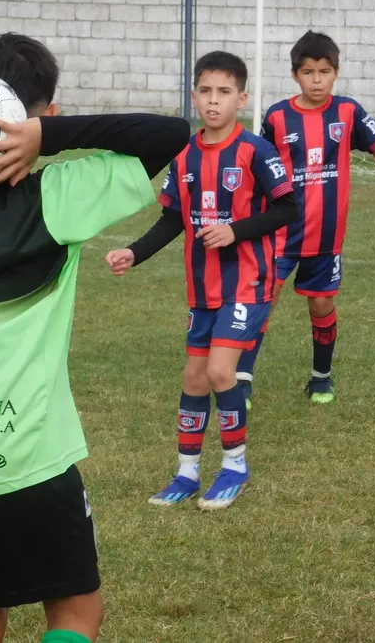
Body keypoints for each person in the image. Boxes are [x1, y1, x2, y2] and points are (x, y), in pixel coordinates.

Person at [0, 32, 189, 643]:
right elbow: (169, 133)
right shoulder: (57, 198)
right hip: (24, 453)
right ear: (35, 116)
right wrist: (45, 136)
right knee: (77, 614)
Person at [106, 51, 297, 510]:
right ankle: (187, 473)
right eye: (206, 92)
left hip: (248, 282)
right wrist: (135, 252)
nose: (214, 102)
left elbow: (288, 208)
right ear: (194, 97)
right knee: (194, 378)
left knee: (218, 372)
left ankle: (234, 466)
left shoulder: (256, 150)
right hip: (203, 287)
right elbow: (173, 219)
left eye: (224, 92)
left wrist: (235, 230)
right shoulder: (186, 154)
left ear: (242, 98)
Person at [235, 31, 375, 408]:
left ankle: (321, 378)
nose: (316, 80)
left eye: (324, 71)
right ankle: (242, 379)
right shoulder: (277, 116)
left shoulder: (348, 112)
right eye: (308, 72)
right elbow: (256, 165)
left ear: (336, 73)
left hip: (326, 235)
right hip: (279, 232)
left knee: (321, 305)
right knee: (262, 300)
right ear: (294, 75)